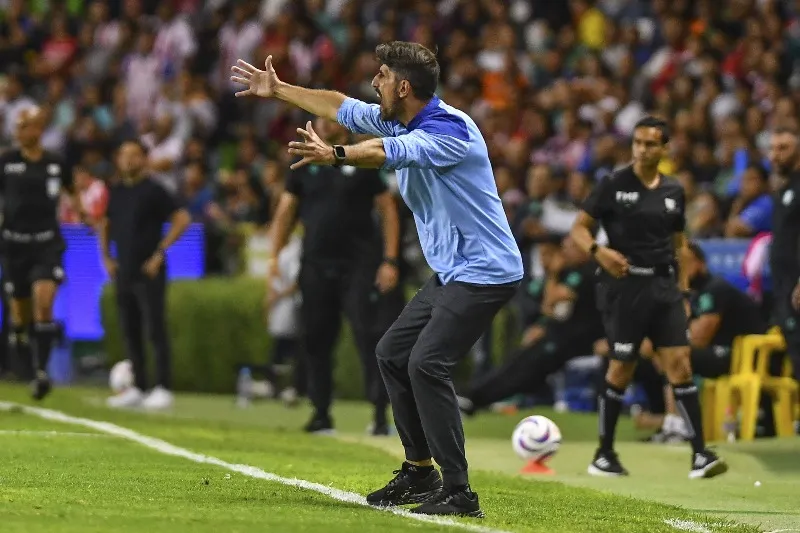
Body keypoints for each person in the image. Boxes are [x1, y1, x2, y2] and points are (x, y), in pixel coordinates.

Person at [231, 41, 524, 517]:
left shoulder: (449, 131)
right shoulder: (401, 117)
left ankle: (459, 490)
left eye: (383, 75)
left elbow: (380, 151)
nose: (375, 82)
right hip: (453, 272)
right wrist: (280, 89)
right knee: (392, 353)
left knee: (427, 364)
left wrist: (336, 153)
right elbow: (339, 105)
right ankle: (417, 470)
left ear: (404, 87)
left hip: (486, 272)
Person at [570, 116, 728, 479]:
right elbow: (579, 228)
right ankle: (604, 454)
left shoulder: (673, 190)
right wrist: (599, 251)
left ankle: (700, 454)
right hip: (625, 289)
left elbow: (679, 244)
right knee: (621, 367)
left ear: (664, 148)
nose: (642, 149)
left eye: (650, 144)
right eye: (638, 143)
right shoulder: (613, 184)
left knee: (681, 366)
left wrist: (684, 289)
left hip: (664, 289)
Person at [268, 117, 405, 435]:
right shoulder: (303, 162)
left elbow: (388, 210)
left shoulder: (360, 158)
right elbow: (285, 211)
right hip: (316, 265)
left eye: (331, 118)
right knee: (315, 339)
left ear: (343, 125)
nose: (325, 124)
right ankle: (320, 413)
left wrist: (390, 260)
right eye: (320, 118)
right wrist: (275, 255)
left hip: (359, 266)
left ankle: (381, 415)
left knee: (368, 338)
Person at [632, 242, 768, 442]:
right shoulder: (688, 294)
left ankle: (678, 427)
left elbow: (699, 338)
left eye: (683, 263)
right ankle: (667, 421)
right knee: (642, 362)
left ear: (699, 263)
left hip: (740, 355)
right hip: (716, 352)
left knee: (675, 356)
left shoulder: (716, 288)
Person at [458, 236, 604, 415]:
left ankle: (475, 398)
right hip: (562, 335)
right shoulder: (570, 272)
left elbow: (551, 302)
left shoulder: (587, 272)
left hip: (581, 339)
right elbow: (550, 310)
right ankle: (473, 396)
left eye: (571, 247)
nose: (565, 251)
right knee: (520, 360)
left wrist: (553, 273)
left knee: (529, 365)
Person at [100, 140, 191, 410]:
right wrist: (106, 257)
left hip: (149, 269)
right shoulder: (115, 191)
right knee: (130, 329)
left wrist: (160, 252)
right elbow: (105, 223)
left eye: (134, 155)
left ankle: (162, 386)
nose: (128, 160)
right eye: (123, 155)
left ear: (144, 158)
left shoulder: (154, 189)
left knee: (155, 328)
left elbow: (182, 218)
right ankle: (138, 387)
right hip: (124, 269)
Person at [0, 107, 80, 400]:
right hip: (13, 244)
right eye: (20, 127)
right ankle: (18, 336)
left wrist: (82, 211)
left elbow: (73, 192)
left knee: (43, 302)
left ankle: (42, 371)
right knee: (19, 311)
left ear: (39, 129)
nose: (24, 132)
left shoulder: (55, 163)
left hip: (47, 244)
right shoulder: (6, 162)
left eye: (30, 126)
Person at [766, 127, 800, 387]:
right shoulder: (784, 190)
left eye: (783, 148)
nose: (775, 155)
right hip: (783, 285)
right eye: (773, 148)